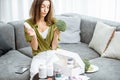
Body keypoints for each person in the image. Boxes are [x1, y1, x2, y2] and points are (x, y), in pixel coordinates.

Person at [24, 0, 60, 79]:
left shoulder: (54, 22)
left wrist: (56, 34)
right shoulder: (28, 24)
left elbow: (54, 47)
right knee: (35, 75)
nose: (45, 10)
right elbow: (35, 48)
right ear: (36, 7)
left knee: (55, 74)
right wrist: (34, 36)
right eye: (43, 6)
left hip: (53, 54)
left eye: (48, 7)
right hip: (39, 56)